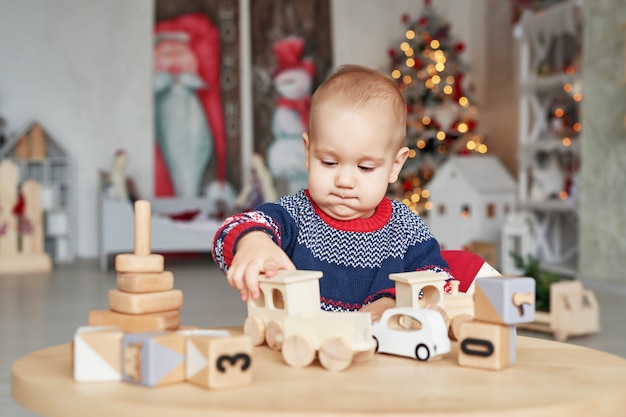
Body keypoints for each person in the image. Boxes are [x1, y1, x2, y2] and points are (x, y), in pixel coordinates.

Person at [212, 64, 452, 321]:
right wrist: (253, 242)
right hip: (297, 349)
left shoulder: (405, 229)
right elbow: (231, 230)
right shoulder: (294, 215)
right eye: (329, 162)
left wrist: (393, 300)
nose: (345, 180)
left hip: (380, 355)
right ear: (308, 152)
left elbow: (440, 282)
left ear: (395, 166)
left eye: (365, 167)